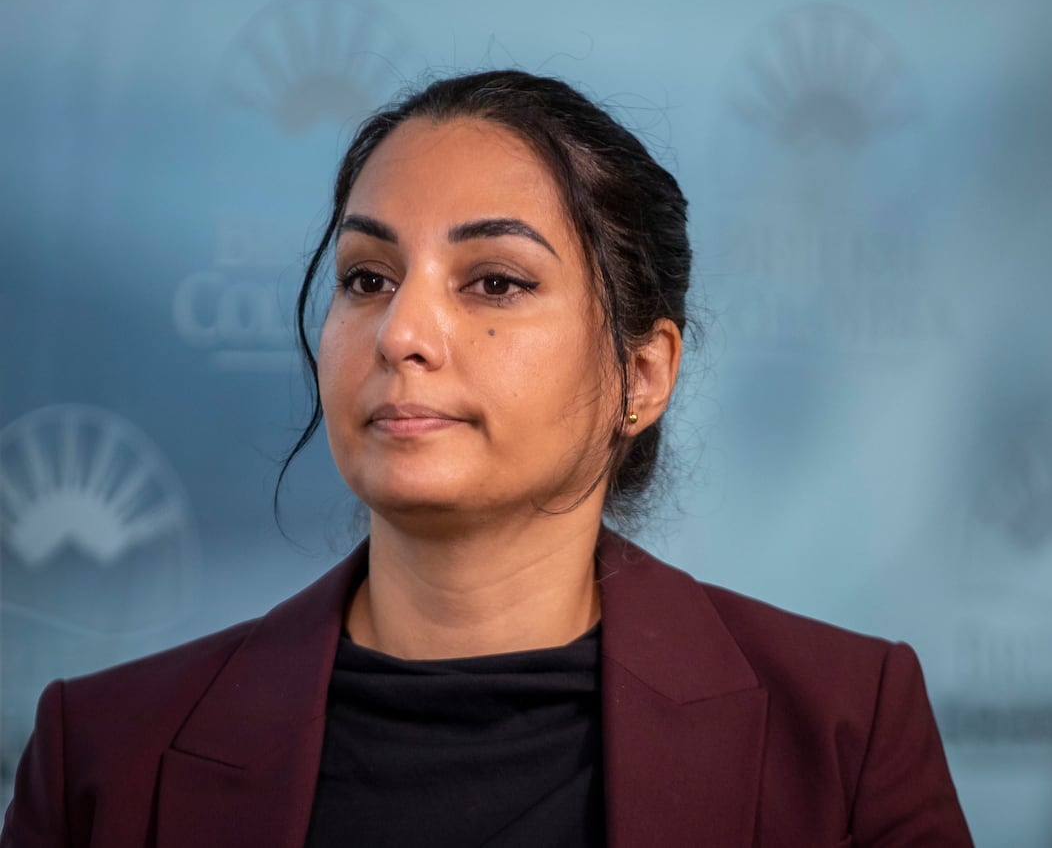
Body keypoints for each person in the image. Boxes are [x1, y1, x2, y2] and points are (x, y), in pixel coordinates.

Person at [1, 70, 973, 847]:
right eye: (367, 277)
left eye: (495, 282)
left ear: (642, 372)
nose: (402, 332)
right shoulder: (103, 757)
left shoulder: (845, 732)